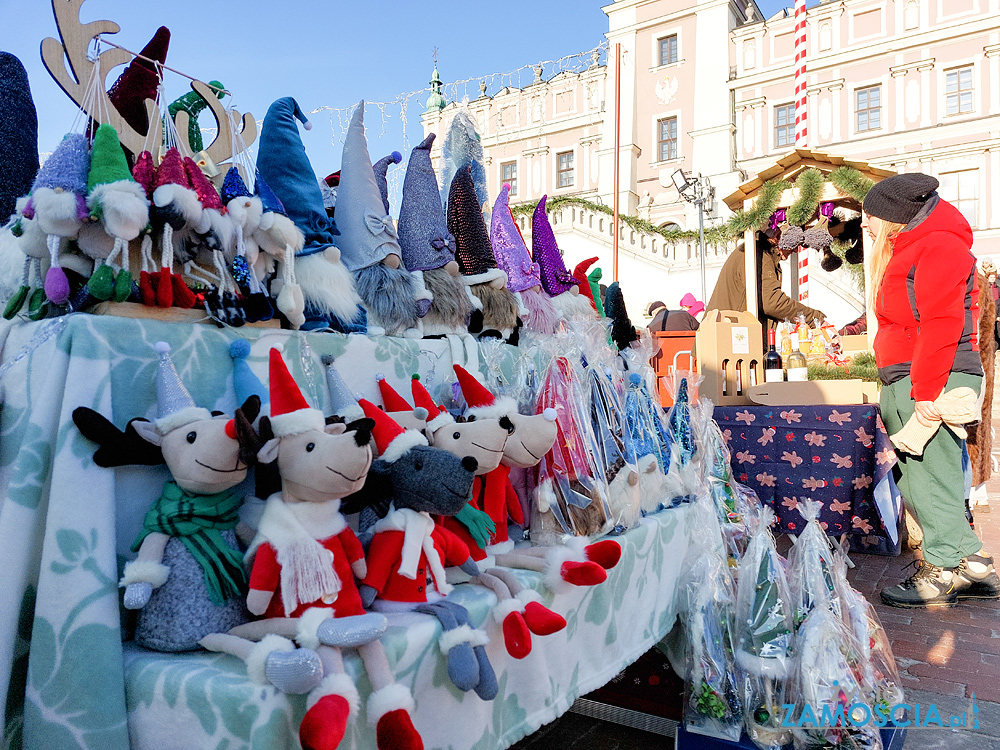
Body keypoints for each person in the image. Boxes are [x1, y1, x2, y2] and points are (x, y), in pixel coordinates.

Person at [864, 172, 999, 608]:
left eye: (871, 215)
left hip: (928, 380)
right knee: (925, 475)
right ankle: (974, 566)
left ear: (894, 215)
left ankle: (941, 572)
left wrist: (924, 393)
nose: (865, 224)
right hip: (916, 376)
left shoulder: (937, 245)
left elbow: (940, 324)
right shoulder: (918, 244)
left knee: (926, 480)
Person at [706, 230, 825, 349]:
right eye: (794, 243)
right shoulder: (760, 255)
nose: (795, 250)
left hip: (728, 342)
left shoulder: (759, 252)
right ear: (777, 237)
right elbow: (772, 302)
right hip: (732, 346)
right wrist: (814, 318)